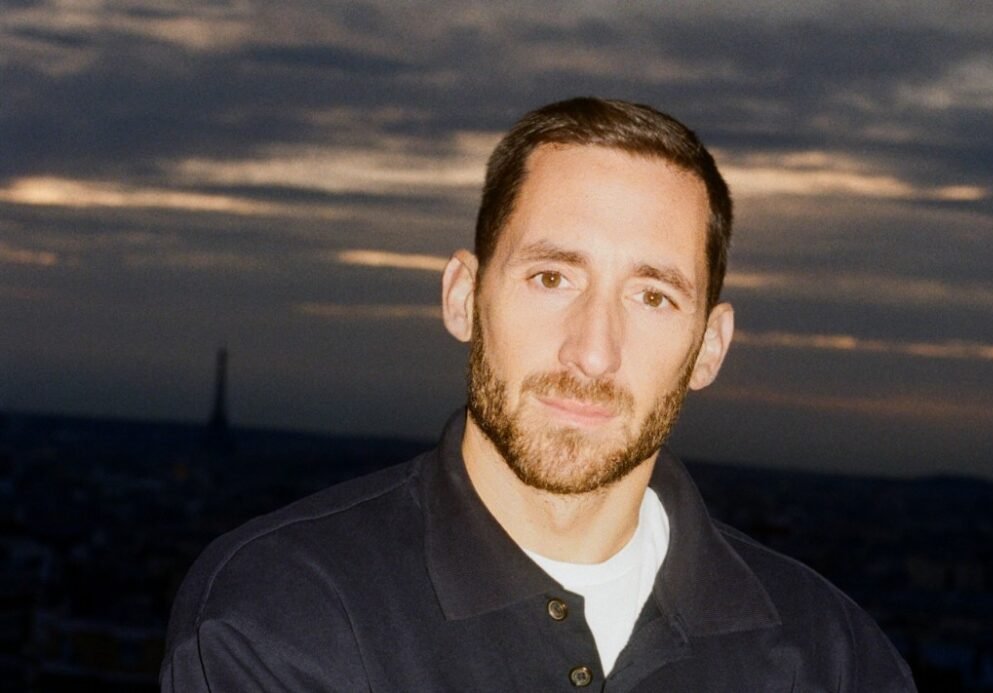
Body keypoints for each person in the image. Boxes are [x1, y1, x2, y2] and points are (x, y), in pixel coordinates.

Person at [161, 97, 917, 691]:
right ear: (464, 296)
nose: (593, 350)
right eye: (552, 278)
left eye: (653, 297)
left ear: (709, 347)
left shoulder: (834, 655)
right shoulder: (288, 607)